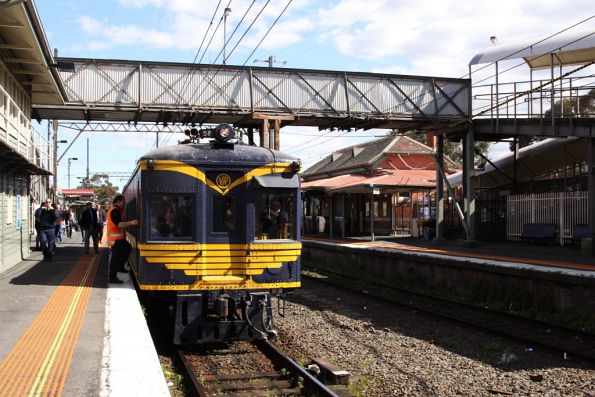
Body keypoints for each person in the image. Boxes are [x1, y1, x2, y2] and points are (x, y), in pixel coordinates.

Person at [107, 195, 138, 284]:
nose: (124, 204)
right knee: (115, 258)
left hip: (119, 238)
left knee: (127, 247)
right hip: (116, 239)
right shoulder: (115, 211)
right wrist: (132, 223)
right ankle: (112, 277)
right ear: (118, 201)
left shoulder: (116, 210)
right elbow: (119, 224)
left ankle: (120, 267)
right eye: (123, 202)